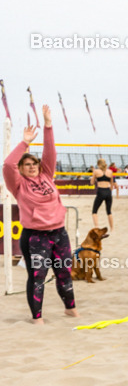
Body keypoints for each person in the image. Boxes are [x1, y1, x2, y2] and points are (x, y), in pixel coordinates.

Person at [3, 105, 78, 323]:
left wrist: (48, 126)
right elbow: (8, 164)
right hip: (36, 236)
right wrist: (25, 142)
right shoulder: (17, 184)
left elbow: (50, 152)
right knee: (37, 277)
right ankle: (37, 317)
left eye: (34, 163)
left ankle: (70, 308)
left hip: (59, 233)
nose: (32, 166)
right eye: (26, 164)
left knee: (64, 272)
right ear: (21, 169)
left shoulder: (46, 174)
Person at [90, 158, 115, 233]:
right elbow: (112, 185)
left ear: (98, 164)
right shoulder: (110, 172)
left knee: (94, 211)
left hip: (100, 191)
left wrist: (93, 175)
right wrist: (109, 192)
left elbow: (92, 183)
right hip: (108, 191)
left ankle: (96, 227)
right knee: (109, 211)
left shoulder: (96, 171)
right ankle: (112, 229)